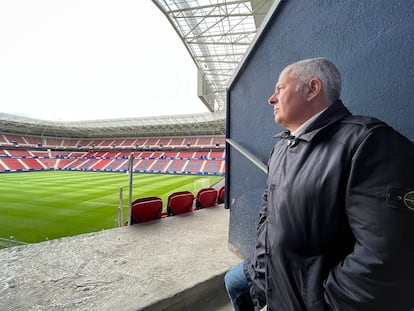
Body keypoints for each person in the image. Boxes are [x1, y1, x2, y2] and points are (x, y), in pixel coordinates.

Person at [224, 57, 414, 310]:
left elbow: (388, 255)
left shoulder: (368, 142)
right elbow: (267, 214)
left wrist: (321, 304)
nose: (271, 99)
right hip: (269, 269)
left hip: (309, 293)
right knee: (233, 282)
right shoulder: (281, 147)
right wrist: (259, 267)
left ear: (312, 89)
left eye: (280, 89)